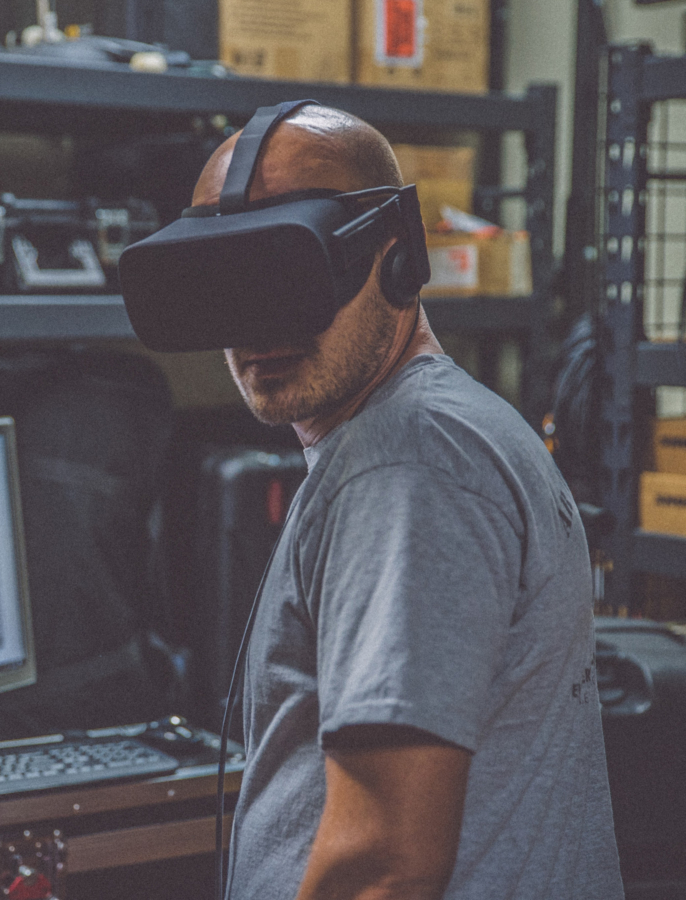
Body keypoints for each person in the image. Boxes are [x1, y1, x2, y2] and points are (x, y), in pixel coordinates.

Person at [197, 104, 623, 899]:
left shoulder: (406, 462)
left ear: (397, 259)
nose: (257, 325)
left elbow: (383, 866)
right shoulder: (449, 427)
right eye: (228, 283)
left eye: (292, 275)